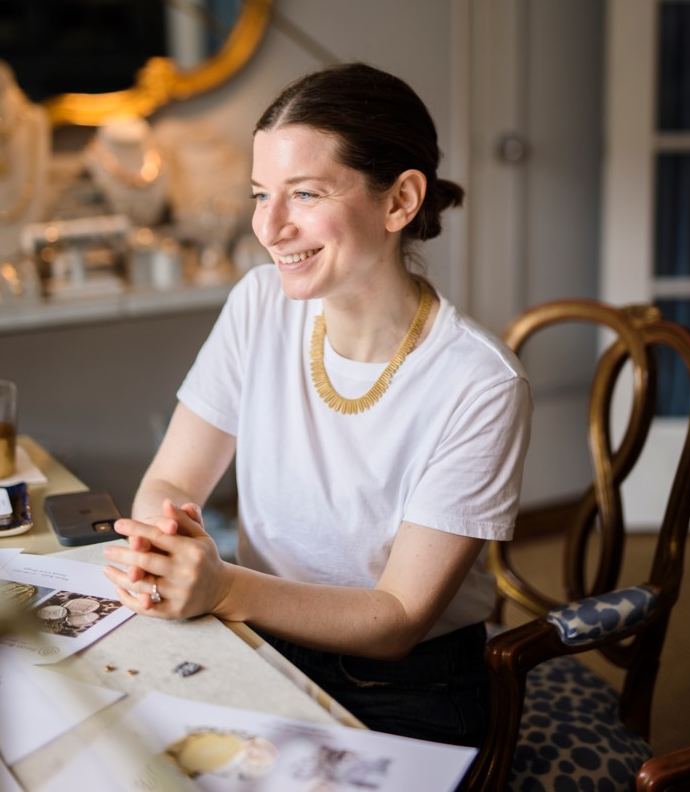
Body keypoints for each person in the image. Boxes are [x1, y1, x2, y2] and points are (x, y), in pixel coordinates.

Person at [102, 62, 532, 748]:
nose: (269, 227)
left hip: (402, 690)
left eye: (303, 194)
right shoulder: (258, 303)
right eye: (259, 193)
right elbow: (175, 479)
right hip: (253, 642)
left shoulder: (479, 385)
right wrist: (164, 548)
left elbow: (395, 620)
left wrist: (219, 588)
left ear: (399, 202)